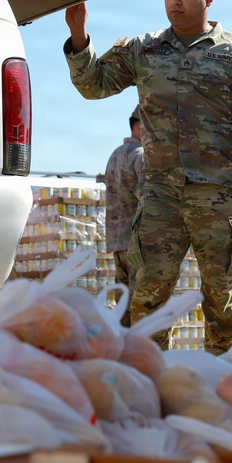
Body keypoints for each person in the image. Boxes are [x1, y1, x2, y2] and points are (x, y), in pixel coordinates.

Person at [63, 0, 232, 354]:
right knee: (147, 297)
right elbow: (93, 86)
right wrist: (79, 37)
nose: (176, 1)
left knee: (224, 301)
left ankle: (226, 385)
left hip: (218, 195)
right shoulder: (144, 50)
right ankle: (150, 385)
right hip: (161, 193)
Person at [102, 106, 145, 326]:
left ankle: (123, 348)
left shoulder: (115, 154)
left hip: (117, 239)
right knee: (141, 303)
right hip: (136, 241)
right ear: (139, 128)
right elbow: (149, 194)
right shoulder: (140, 156)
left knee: (123, 304)